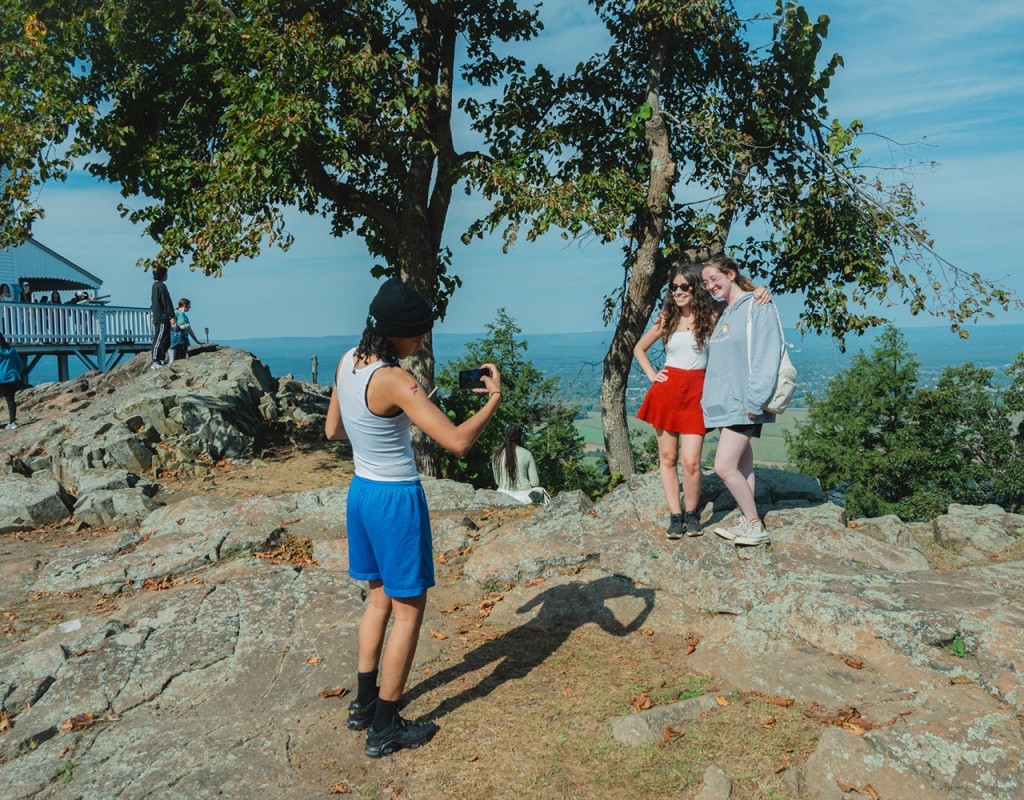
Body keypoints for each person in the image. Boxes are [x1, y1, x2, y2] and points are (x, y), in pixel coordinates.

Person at [325, 277, 503, 759]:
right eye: (419, 334)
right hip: (395, 499)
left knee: (377, 600)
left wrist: (379, 428)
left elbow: (333, 430)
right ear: (397, 333)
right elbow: (457, 442)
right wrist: (492, 400)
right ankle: (385, 727)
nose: (423, 342)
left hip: (361, 492)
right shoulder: (397, 381)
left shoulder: (347, 360)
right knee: (408, 612)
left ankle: (364, 704)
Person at [634, 263, 770, 539]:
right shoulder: (666, 319)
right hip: (667, 392)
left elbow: (735, 295)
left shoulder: (712, 314)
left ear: (696, 288)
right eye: (674, 287)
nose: (678, 291)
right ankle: (676, 516)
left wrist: (759, 290)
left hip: (698, 393)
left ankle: (692, 513)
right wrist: (652, 374)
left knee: (691, 461)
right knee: (668, 458)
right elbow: (639, 348)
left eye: (684, 286)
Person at [700, 255, 784, 547]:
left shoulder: (758, 306)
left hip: (745, 403)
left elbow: (767, 353)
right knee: (743, 465)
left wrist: (755, 400)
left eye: (714, 278)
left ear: (731, 274)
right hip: (726, 405)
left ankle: (755, 525)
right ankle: (746, 520)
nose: (710, 286)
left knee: (723, 466)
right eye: (706, 282)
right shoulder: (725, 312)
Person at [491, 424, 548, 504]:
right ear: (520, 437)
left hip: (502, 495)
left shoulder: (496, 455)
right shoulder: (527, 454)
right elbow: (535, 482)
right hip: (524, 497)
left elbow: (497, 481)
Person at [150, 267, 175, 368]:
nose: (167, 275)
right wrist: (171, 316)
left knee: (165, 340)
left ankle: (160, 359)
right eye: (166, 273)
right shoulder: (161, 286)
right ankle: (155, 361)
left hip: (161, 317)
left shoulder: (155, 286)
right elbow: (166, 302)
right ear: (162, 275)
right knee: (159, 339)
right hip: (161, 317)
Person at [0, 332, 24, 430]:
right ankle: (12, 423)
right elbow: (20, 365)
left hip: (1, 378)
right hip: (13, 378)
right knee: (11, 400)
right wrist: (15, 373)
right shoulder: (12, 350)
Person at [169, 298, 201, 363]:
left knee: (182, 360)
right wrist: (180, 327)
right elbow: (172, 324)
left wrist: (197, 341)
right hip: (176, 339)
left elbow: (190, 330)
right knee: (174, 360)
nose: (190, 307)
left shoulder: (185, 316)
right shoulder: (176, 313)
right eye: (189, 305)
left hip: (184, 340)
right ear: (184, 305)